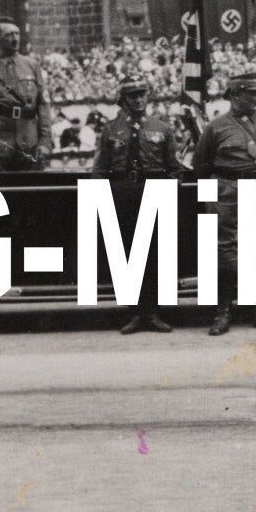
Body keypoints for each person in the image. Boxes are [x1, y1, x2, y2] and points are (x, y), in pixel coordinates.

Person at [194, 72, 256, 336]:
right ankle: (223, 311)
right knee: (225, 248)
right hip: (229, 190)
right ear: (234, 96)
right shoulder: (217, 127)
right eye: (251, 93)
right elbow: (201, 165)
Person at [93, 76, 184, 335]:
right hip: (124, 191)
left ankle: (153, 312)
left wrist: (169, 193)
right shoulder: (111, 130)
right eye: (132, 95)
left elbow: (175, 169)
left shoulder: (162, 128)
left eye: (142, 94)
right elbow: (99, 169)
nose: (138, 99)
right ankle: (134, 313)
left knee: (154, 252)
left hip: (154, 189)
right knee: (127, 254)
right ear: (123, 99)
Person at [0, 18, 50, 170]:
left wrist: (45, 141)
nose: (15, 39)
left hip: (29, 142)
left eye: (17, 34)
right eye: (9, 35)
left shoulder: (32, 66)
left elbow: (43, 106)